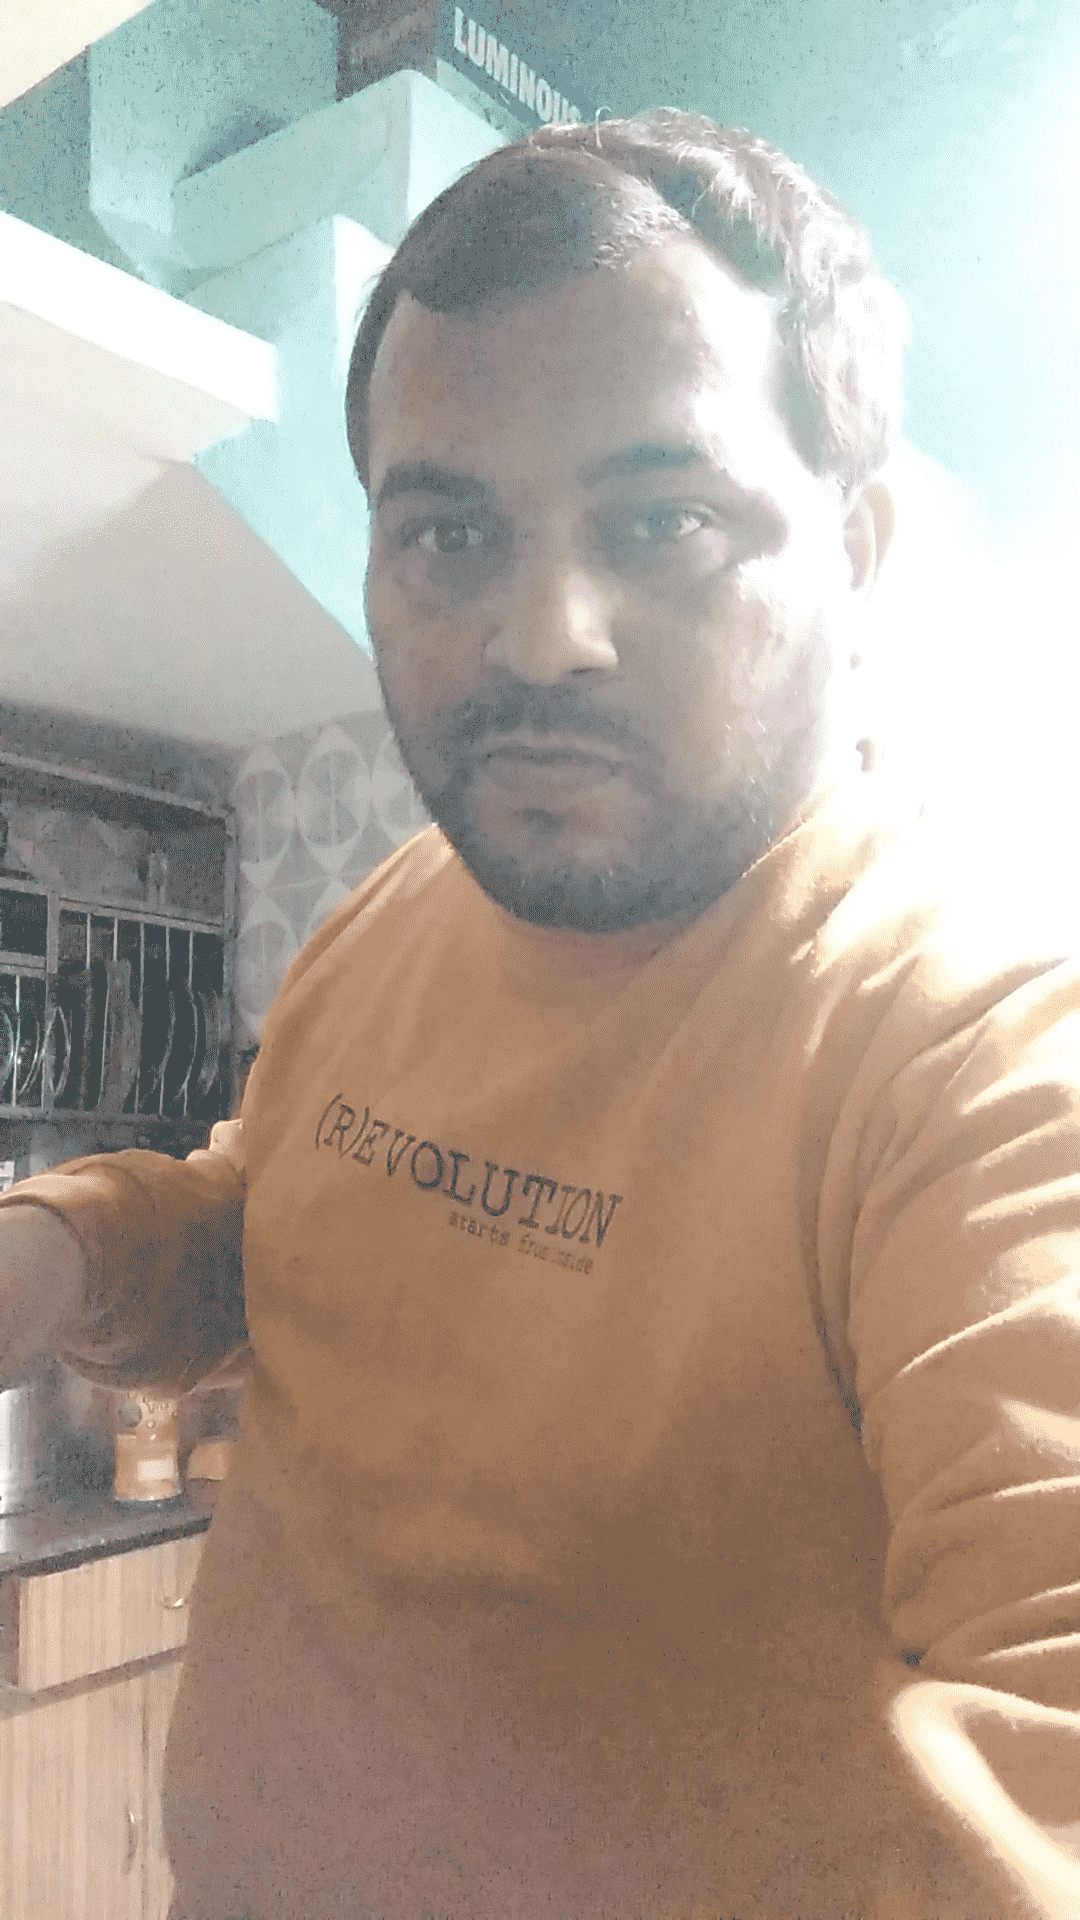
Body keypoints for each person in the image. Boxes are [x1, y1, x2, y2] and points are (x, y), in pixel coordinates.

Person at [2, 109, 1079, 1918]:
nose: (541, 634)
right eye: (449, 531)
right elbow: (287, 1230)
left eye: (664, 521)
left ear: (860, 547)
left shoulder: (976, 1043)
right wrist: (59, 1254)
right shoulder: (396, 910)